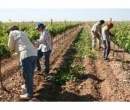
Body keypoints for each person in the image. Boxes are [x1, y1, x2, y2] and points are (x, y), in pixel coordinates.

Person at [7, 26, 37, 99]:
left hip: (26, 55)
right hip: (33, 53)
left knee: (27, 74)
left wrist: (9, 49)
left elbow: (10, 47)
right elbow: (22, 45)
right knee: (30, 73)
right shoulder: (22, 33)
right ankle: (27, 86)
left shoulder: (12, 33)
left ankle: (29, 94)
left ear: (11, 30)